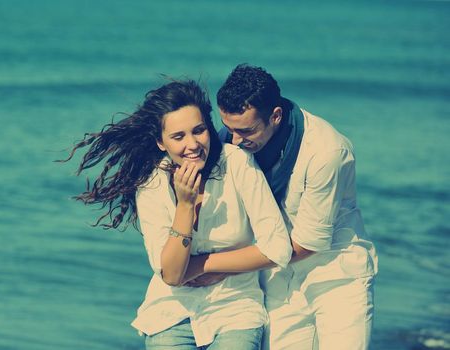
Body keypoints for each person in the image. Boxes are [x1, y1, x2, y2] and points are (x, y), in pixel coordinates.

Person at [61, 79, 292, 349]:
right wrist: (184, 204)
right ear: (161, 142)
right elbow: (171, 274)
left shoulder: (237, 163)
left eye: (199, 131)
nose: (193, 144)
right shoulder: (151, 182)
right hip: (171, 311)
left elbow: (277, 248)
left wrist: (202, 266)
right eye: (178, 136)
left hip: (235, 309)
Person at [212, 64, 378, 349]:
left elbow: (308, 242)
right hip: (278, 276)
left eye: (246, 130)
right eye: (229, 128)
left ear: (276, 116)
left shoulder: (326, 151)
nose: (235, 141)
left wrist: (212, 267)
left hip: (336, 274)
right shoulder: (231, 140)